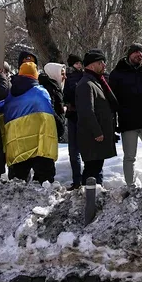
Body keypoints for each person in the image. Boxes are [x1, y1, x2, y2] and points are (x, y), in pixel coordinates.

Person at [2, 62, 59, 184]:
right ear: (35, 76)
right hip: (39, 143)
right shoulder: (40, 92)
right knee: (44, 179)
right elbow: (49, 117)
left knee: (18, 183)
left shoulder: (10, 94)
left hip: (17, 145)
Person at [109, 43, 142, 186]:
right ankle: (130, 185)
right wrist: (114, 121)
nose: (138, 56)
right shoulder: (118, 72)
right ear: (129, 54)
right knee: (129, 156)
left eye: (140, 53)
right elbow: (112, 99)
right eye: (135, 52)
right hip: (128, 122)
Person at [76, 49, 119, 185]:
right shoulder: (86, 84)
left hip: (97, 137)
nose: (104, 65)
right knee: (91, 170)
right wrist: (97, 132)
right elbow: (86, 111)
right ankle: (88, 199)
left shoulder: (96, 81)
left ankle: (93, 197)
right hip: (92, 137)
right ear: (91, 65)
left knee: (96, 168)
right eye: (101, 62)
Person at [63, 54, 86, 189]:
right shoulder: (82, 77)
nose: (79, 66)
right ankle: (81, 180)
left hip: (75, 115)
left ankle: (78, 181)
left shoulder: (69, 78)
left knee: (75, 150)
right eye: (76, 63)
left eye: (79, 63)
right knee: (77, 150)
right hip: (78, 115)